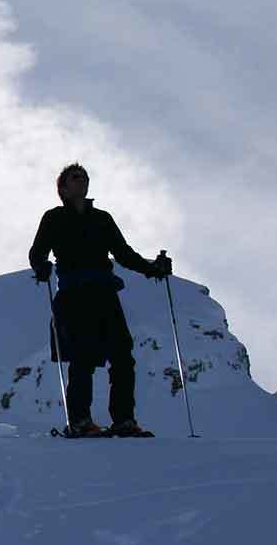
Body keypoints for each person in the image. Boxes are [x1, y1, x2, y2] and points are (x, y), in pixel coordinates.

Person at [29, 163, 172, 437]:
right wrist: (41, 267)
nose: (81, 181)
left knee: (121, 356)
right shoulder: (54, 218)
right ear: (63, 188)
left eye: (84, 177)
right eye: (75, 178)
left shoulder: (102, 219)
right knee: (83, 358)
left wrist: (152, 268)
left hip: (103, 293)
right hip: (74, 295)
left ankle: (123, 420)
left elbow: (123, 253)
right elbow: (37, 252)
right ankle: (82, 420)